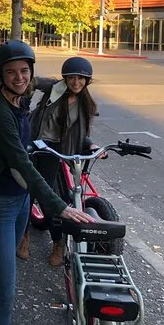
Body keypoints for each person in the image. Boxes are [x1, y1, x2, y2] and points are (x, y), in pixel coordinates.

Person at [0, 40, 95, 325]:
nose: (19, 77)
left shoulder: (20, 98)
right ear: (1, 75)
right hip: (0, 203)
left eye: (24, 70)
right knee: (7, 287)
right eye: (11, 72)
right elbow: (22, 163)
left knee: (1, 274)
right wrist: (60, 207)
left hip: (22, 200)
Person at [16, 56, 102, 264]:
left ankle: (58, 242)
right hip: (33, 142)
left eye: (80, 78)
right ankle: (23, 237)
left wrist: (91, 145)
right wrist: (22, 101)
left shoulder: (85, 104)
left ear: (87, 81)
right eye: (71, 78)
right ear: (65, 78)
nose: (76, 82)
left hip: (53, 150)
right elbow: (31, 82)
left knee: (48, 195)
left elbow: (81, 134)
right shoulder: (54, 89)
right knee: (26, 192)